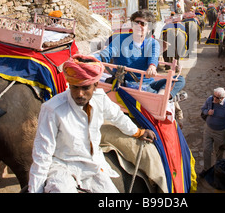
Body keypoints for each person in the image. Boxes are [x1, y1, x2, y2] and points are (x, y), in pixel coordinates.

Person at [28, 54, 156, 193]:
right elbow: (42, 153)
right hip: (61, 166)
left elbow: (118, 117)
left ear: (95, 85)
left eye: (85, 88)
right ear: (69, 85)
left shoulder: (100, 99)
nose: (80, 94)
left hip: (93, 165)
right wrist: (35, 190)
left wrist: (138, 132)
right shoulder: (52, 109)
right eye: (75, 87)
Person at [94, 9, 187, 102]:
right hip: (126, 83)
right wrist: (93, 59)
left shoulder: (153, 43)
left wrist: (152, 66)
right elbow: (106, 54)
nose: (139, 26)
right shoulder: (120, 39)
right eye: (136, 23)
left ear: (149, 28)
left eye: (142, 24)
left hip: (147, 83)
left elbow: (153, 58)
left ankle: (163, 97)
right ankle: (164, 98)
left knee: (179, 79)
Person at [199, 87, 225, 177]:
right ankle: (206, 169)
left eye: (217, 98)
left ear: (222, 98)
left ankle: (218, 169)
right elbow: (203, 109)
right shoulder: (210, 100)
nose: (214, 99)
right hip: (208, 129)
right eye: (214, 96)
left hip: (220, 132)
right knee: (206, 150)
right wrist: (207, 112)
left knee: (219, 151)